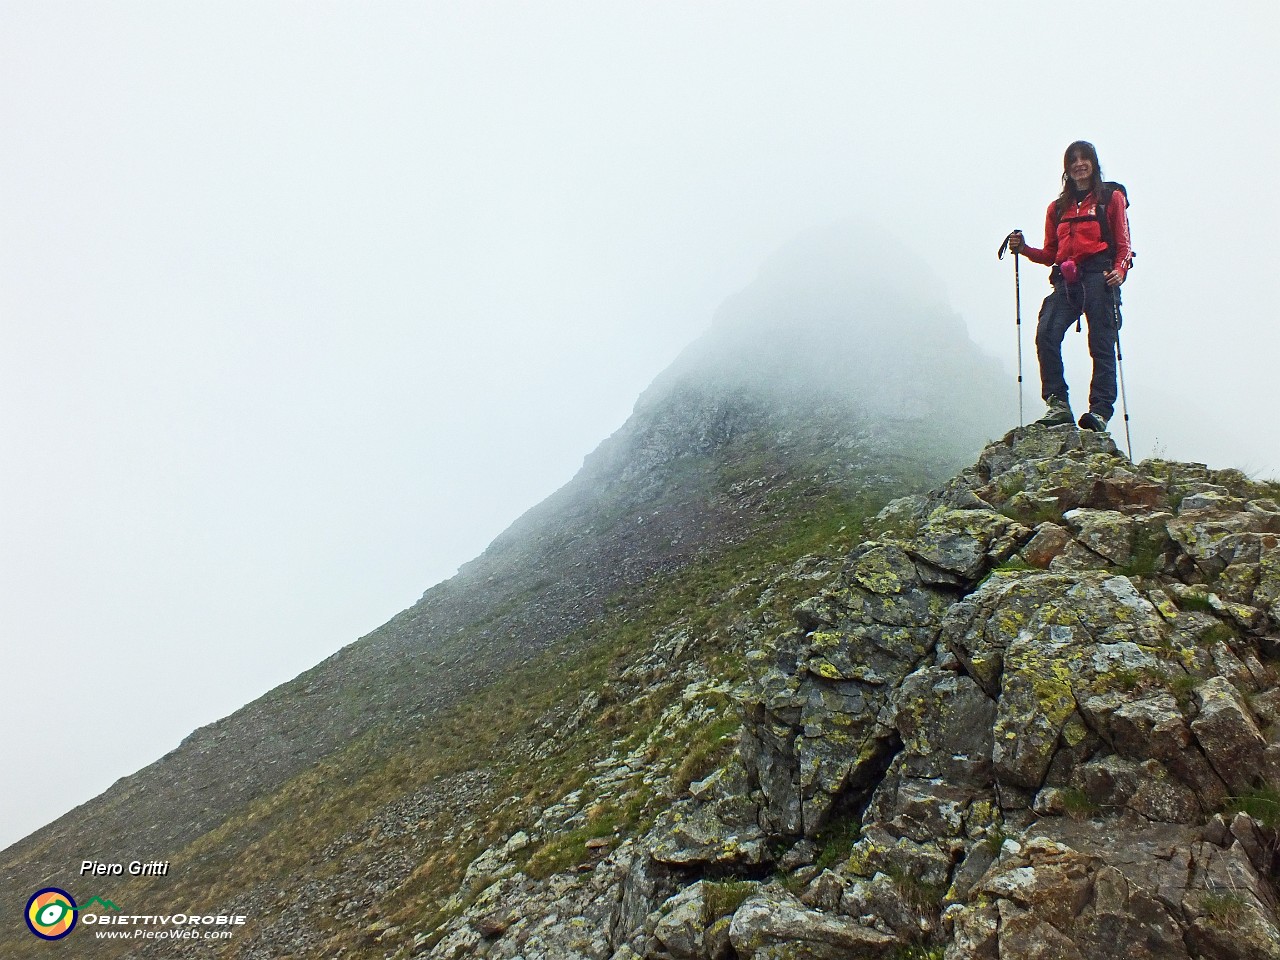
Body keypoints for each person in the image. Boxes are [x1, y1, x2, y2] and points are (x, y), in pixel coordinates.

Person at [1006, 140, 1132, 431]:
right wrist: (1023, 249)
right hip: (1067, 278)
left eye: (1084, 158)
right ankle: (1057, 403)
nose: (1079, 164)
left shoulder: (1110, 198)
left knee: (1101, 344)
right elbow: (1051, 254)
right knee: (1047, 332)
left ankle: (1099, 412)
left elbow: (1124, 244)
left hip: (1100, 277)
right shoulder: (1057, 209)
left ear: (1093, 163)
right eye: (1073, 160)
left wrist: (1119, 271)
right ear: (1067, 168)